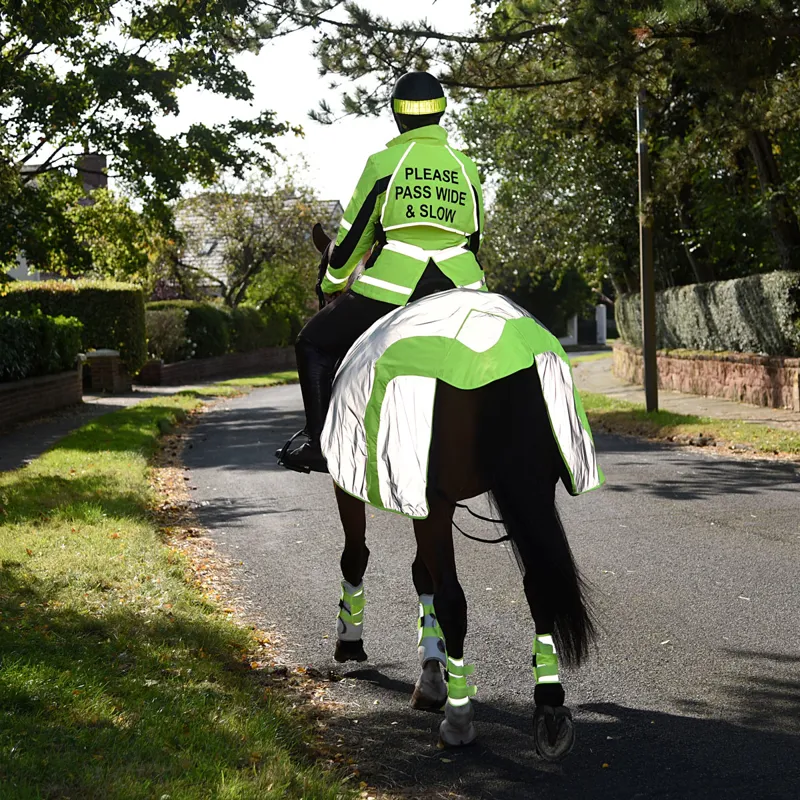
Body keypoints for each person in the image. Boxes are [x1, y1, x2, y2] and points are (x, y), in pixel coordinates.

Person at [278, 70, 486, 473]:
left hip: (395, 288)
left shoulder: (383, 164)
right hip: (466, 289)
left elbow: (348, 247)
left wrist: (330, 283)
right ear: (441, 114)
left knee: (312, 344)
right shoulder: (467, 168)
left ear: (398, 117)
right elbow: (474, 241)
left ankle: (320, 444)